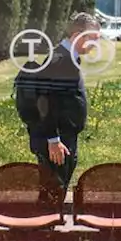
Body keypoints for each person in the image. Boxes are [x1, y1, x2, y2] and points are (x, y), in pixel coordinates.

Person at [14, 12, 98, 191]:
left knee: (54, 193)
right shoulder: (61, 61)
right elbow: (44, 102)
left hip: (62, 139)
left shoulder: (66, 58)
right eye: (92, 39)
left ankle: (48, 216)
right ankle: (46, 217)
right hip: (57, 143)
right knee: (53, 194)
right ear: (76, 36)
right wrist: (53, 140)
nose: (95, 45)